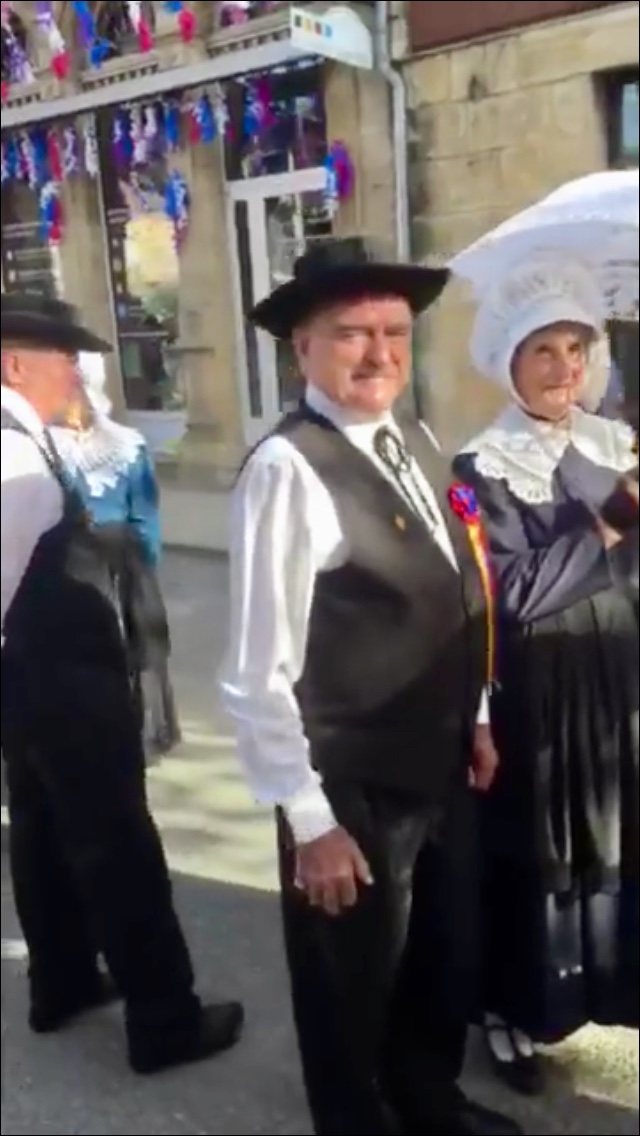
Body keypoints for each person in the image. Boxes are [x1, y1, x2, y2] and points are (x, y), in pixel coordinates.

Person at [219, 237, 521, 1135]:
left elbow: (458, 582)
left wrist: (475, 712)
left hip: (435, 759)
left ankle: (428, 1096)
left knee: (439, 955)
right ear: (301, 347)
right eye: (351, 332)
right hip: (347, 781)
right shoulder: (287, 469)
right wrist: (309, 824)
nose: (379, 352)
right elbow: (255, 673)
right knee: (350, 982)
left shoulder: (415, 436)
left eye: (393, 331)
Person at [1, 293, 243, 1073]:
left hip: (36, 678)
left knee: (42, 832)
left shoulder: (21, 436)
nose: (78, 369)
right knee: (118, 845)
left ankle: (62, 981)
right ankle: (164, 1018)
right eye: (64, 355)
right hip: (58, 679)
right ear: (14, 363)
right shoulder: (12, 457)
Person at [454, 256, 638, 1095]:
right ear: (510, 363)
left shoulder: (615, 445)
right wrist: (607, 529)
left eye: (576, 348)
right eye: (545, 352)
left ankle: (607, 985)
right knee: (538, 845)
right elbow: (510, 594)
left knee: (617, 831)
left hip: (619, 680)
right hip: (540, 687)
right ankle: (512, 1009)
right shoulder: (482, 467)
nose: (566, 369)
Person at [49, 360, 180, 760]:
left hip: (100, 557)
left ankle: (127, 730)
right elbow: (144, 515)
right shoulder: (51, 444)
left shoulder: (120, 444)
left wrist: (144, 567)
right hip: (102, 555)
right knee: (107, 645)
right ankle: (120, 731)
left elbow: (143, 510)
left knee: (126, 643)